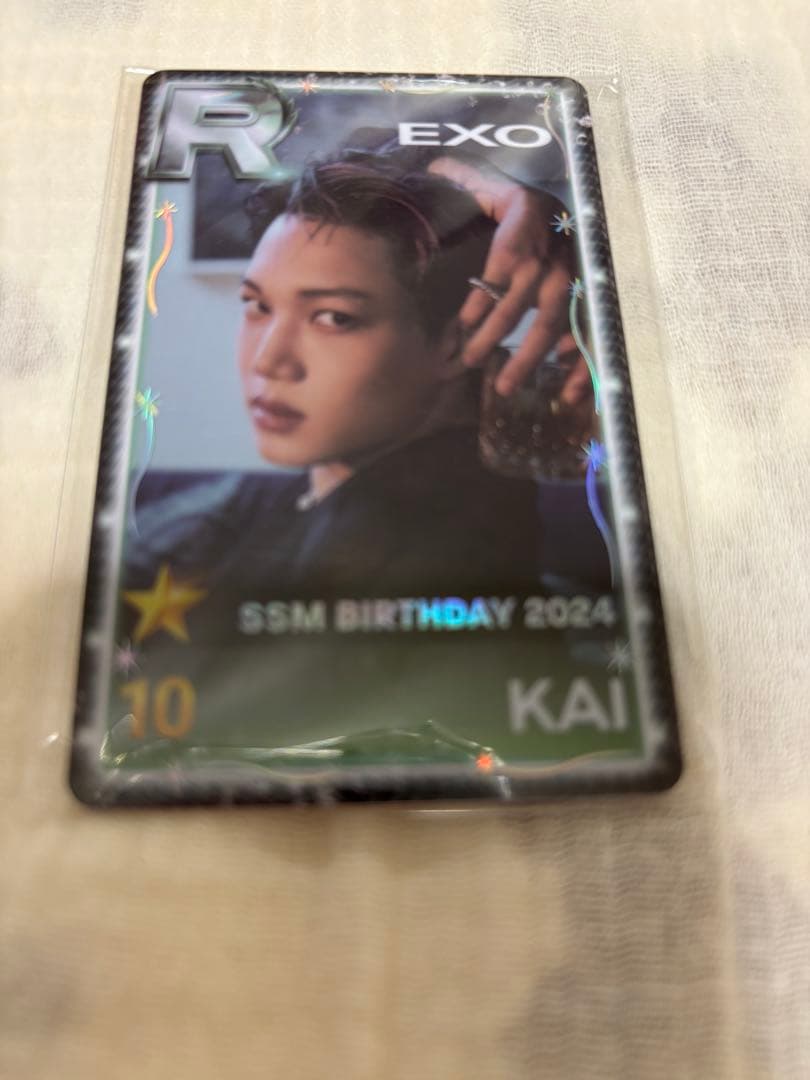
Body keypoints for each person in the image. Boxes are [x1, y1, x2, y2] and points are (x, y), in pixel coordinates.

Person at [125, 152, 543, 599]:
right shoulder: (301, 492)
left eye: (334, 318)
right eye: (258, 305)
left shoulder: (422, 542)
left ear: (458, 342)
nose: (268, 362)